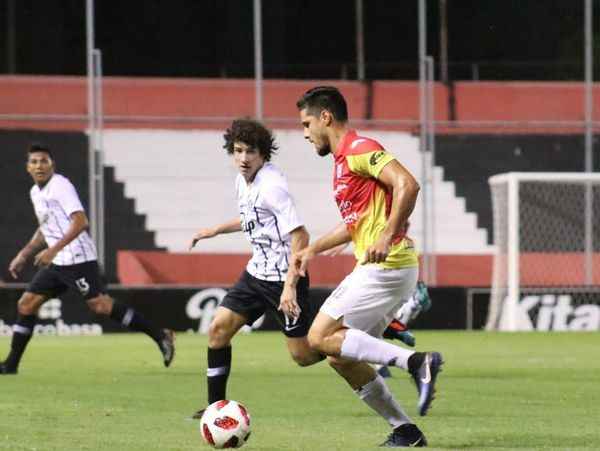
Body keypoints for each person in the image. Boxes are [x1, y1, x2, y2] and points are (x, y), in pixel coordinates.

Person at [293, 86, 443, 447]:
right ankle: (406, 431)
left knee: (317, 337)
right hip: (391, 268)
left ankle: (416, 363)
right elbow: (355, 223)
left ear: (325, 117)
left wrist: (387, 234)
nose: (304, 132)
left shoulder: (360, 149)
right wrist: (313, 248)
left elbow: (408, 183)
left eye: (306, 122)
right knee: (337, 355)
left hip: (386, 264)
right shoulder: (343, 162)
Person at [0, 143, 175, 375]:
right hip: (57, 262)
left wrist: (53, 250)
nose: (39, 166)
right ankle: (10, 365)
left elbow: (81, 222)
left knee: (101, 306)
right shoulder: (36, 193)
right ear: (27, 167)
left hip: (78, 259)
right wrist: (24, 253)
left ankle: (160, 335)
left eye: (44, 161)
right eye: (34, 162)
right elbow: (46, 227)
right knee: (26, 304)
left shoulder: (61, 186)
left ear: (53, 165)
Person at [188, 118, 323, 419]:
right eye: (238, 151)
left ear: (263, 153)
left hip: (283, 280)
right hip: (255, 275)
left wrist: (289, 286)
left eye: (250, 151)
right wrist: (214, 229)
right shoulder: (242, 180)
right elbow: (252, 218)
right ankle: (215, 410)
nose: (244, 158)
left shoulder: (273, 187)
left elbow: (300, 236)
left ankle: (350, 339)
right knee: (217, 330)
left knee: (303, 355)